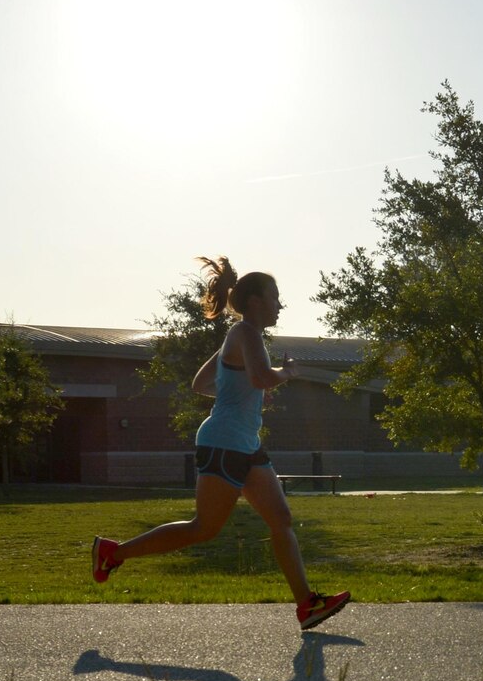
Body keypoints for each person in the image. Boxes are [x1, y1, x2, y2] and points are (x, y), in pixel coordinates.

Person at [92, 256, 349, 631]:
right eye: (275, 297)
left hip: (244, 444)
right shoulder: (246, 333)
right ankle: (114, 553)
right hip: (224, 444)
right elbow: (262, 377)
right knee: (204, 529)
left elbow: (202, 383)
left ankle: (307, 604)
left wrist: (238, 392)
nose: (280, 304)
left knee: (281, 519)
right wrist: (286, 374)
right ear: (256, 302)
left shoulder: (240, 336)